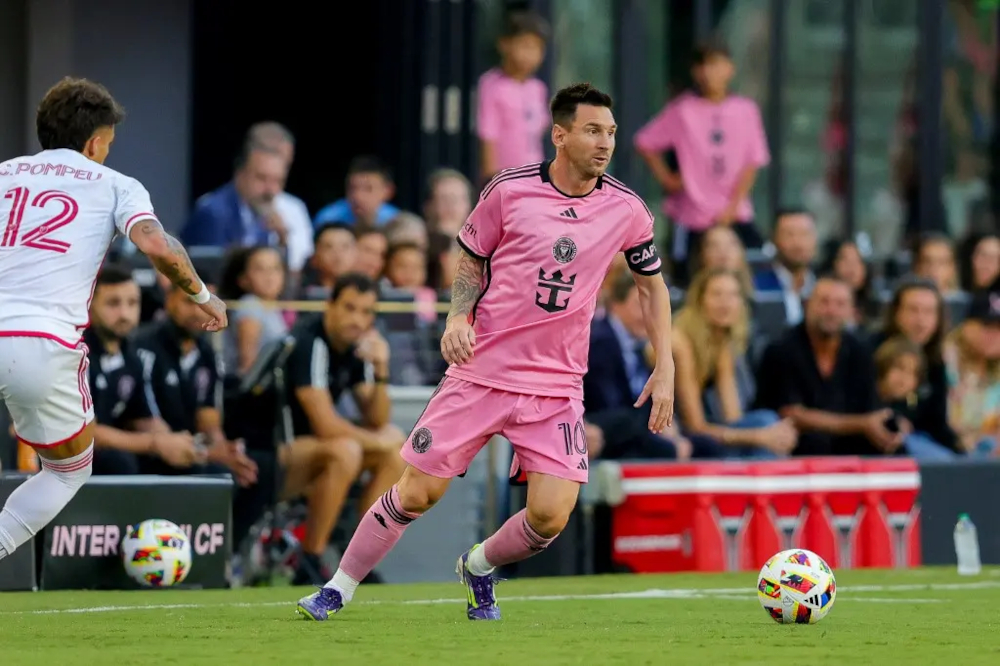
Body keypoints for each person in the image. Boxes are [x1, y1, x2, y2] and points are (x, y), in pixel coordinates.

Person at [296, 82, 675, 621]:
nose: (605, 142)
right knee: (418, 492)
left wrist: (666, 365)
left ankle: (477, 564)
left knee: (549, 516)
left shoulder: (627, 209)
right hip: (482, 372)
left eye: (611, 132)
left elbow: (650, 284)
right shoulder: (509, 190)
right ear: (560, 134)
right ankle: (337, 587)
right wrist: (457, 316)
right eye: (593, 130)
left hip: (556, 386)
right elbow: (471, 257)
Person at [0, 77, 226, 563]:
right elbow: (156, 245)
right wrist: (203, 295)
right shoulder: (115, 184)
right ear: (96, 141)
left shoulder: (4, 174)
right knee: (66, 471)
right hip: (39, 343)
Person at [85, 264, 203, 475]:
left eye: (132, 303)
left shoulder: (132, 357)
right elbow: (86, 433)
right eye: (113, 303)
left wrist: (177, 443)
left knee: (187, 465)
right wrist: (154, 443)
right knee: (118, 462)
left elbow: (145, 419)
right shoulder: (77, 355)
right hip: (68, 457)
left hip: (114, 452)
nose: (124, 313)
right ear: (90, 305)